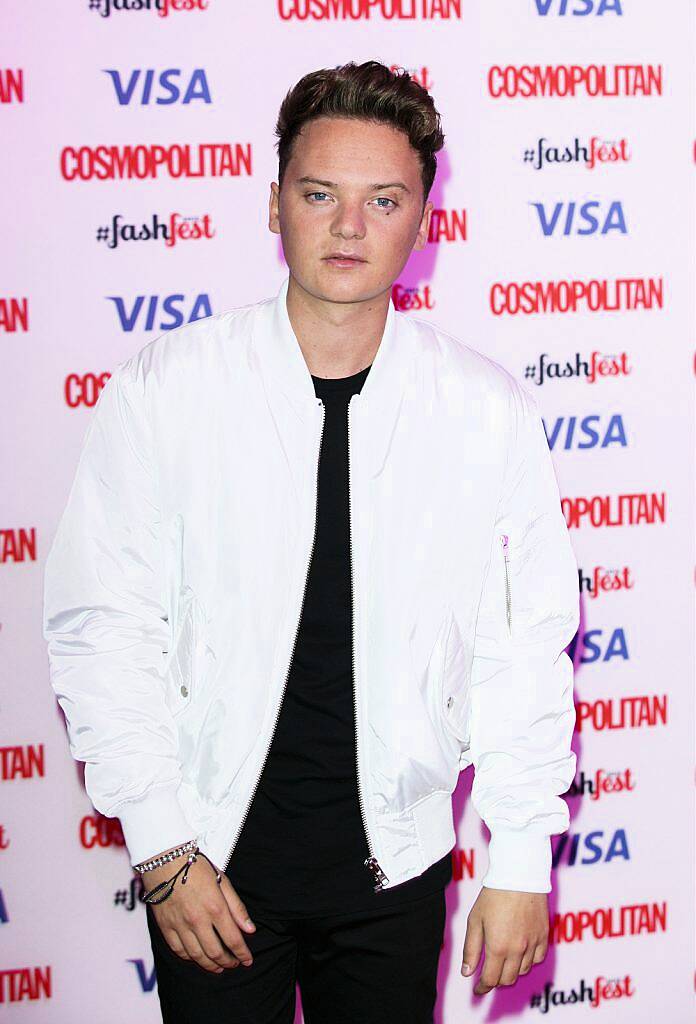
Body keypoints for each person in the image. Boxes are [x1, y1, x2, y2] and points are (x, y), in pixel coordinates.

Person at [42, 60, 580, 1023]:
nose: (348, 226)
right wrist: (163, 848)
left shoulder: (484, 410)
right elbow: (102, 626)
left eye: (384, 200)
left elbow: (523, 650)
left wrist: (523, 856)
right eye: (319, 193)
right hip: (212, 870)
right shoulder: (170, 387)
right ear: (274, 202)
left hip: (397, 873)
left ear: (424, 220)